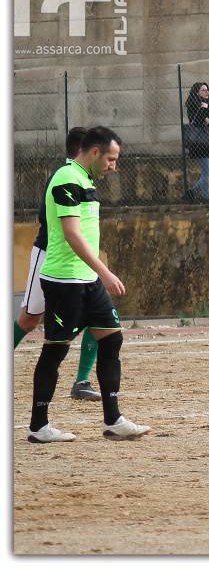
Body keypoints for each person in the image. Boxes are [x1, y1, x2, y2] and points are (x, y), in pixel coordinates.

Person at [28, 126, 151, 443]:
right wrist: (105, 272)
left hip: (87, 279)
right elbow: (71, 234)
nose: (114, 165)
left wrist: (97, 274)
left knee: (112, 339)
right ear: (94, 152)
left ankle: (113, 420)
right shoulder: (67, 179)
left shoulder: (86, 180)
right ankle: (39, 426)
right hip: (64, 282)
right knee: (55, 350)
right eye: (111, 159)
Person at [14, 127, 102, 401]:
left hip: (81, 261)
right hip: (50, 258)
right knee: (29, 319)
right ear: (80, 150)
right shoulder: (63, 178)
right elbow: (50, 221)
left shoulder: (85, 179)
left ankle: (82, 381)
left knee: (100, 316)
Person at [186, 81, 209, 201]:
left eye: (207, 89)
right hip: (199, 143)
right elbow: (194, 122)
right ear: (197, 92)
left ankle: (192, 193)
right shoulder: (192, 104)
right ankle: (207, 199)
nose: (206, 92)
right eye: (203, 90)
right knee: (206, 172)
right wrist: (202, 109)